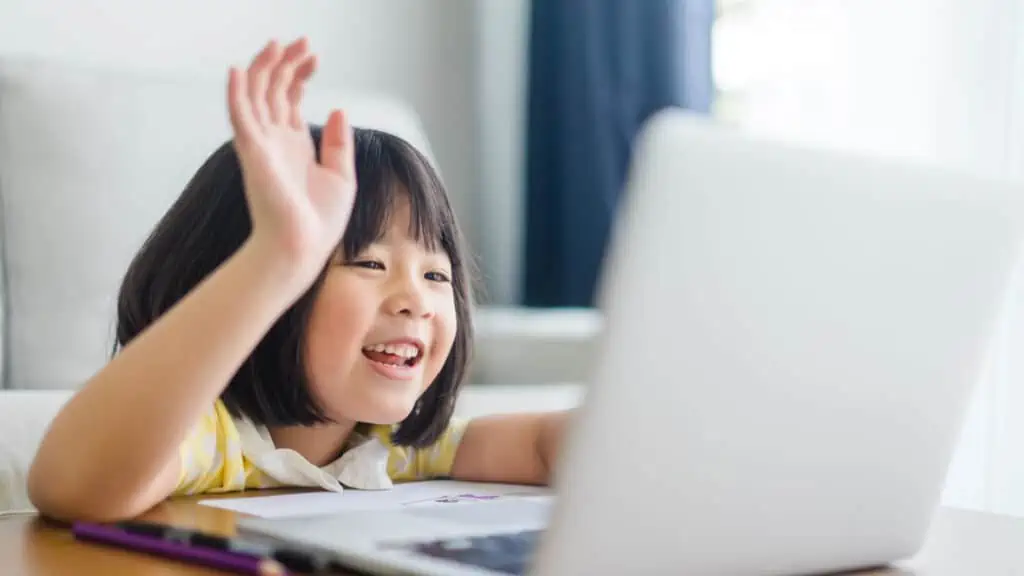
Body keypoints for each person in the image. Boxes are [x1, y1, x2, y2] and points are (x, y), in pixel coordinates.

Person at [27, 37, 570, 523]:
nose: (417, 302)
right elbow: (74, 488)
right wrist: (276, 256)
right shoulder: (212, 437)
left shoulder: (392, 446)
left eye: (435, 274)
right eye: (369, 263)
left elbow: (551, 446)